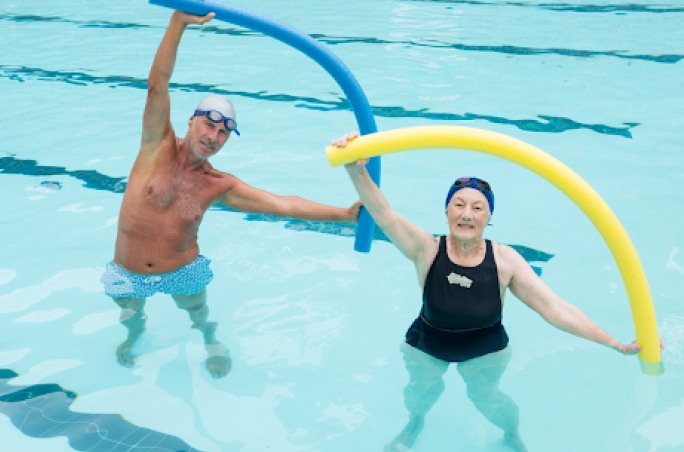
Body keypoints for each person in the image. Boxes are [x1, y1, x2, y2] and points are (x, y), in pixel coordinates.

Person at [331, 132, 645, 451]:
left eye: (478, 208)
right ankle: (415, 421)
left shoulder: (506, 261)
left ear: (488, 217)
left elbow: (555, 309)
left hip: (485, 348)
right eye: (459, 205)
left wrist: (615, 344)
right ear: (447, 212)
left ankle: (512, 434)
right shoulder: (425, 248)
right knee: (418, 394)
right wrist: (354, 168)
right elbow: (383, 213)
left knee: (489, 399)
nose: (467, 214)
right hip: (427, 341)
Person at [100, 11, 360, 380]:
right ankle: (134, 337)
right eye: (209, 124)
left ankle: (210, 340)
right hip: (127, 270)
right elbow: (158, 83)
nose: (213, 137)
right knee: (129, 312)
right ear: (191, 121)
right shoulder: (155, 146)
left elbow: (282, 205)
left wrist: (346, 214)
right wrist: (178, 24)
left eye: (224, 133)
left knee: (198, 314)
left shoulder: (219, 184)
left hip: (183, 272)